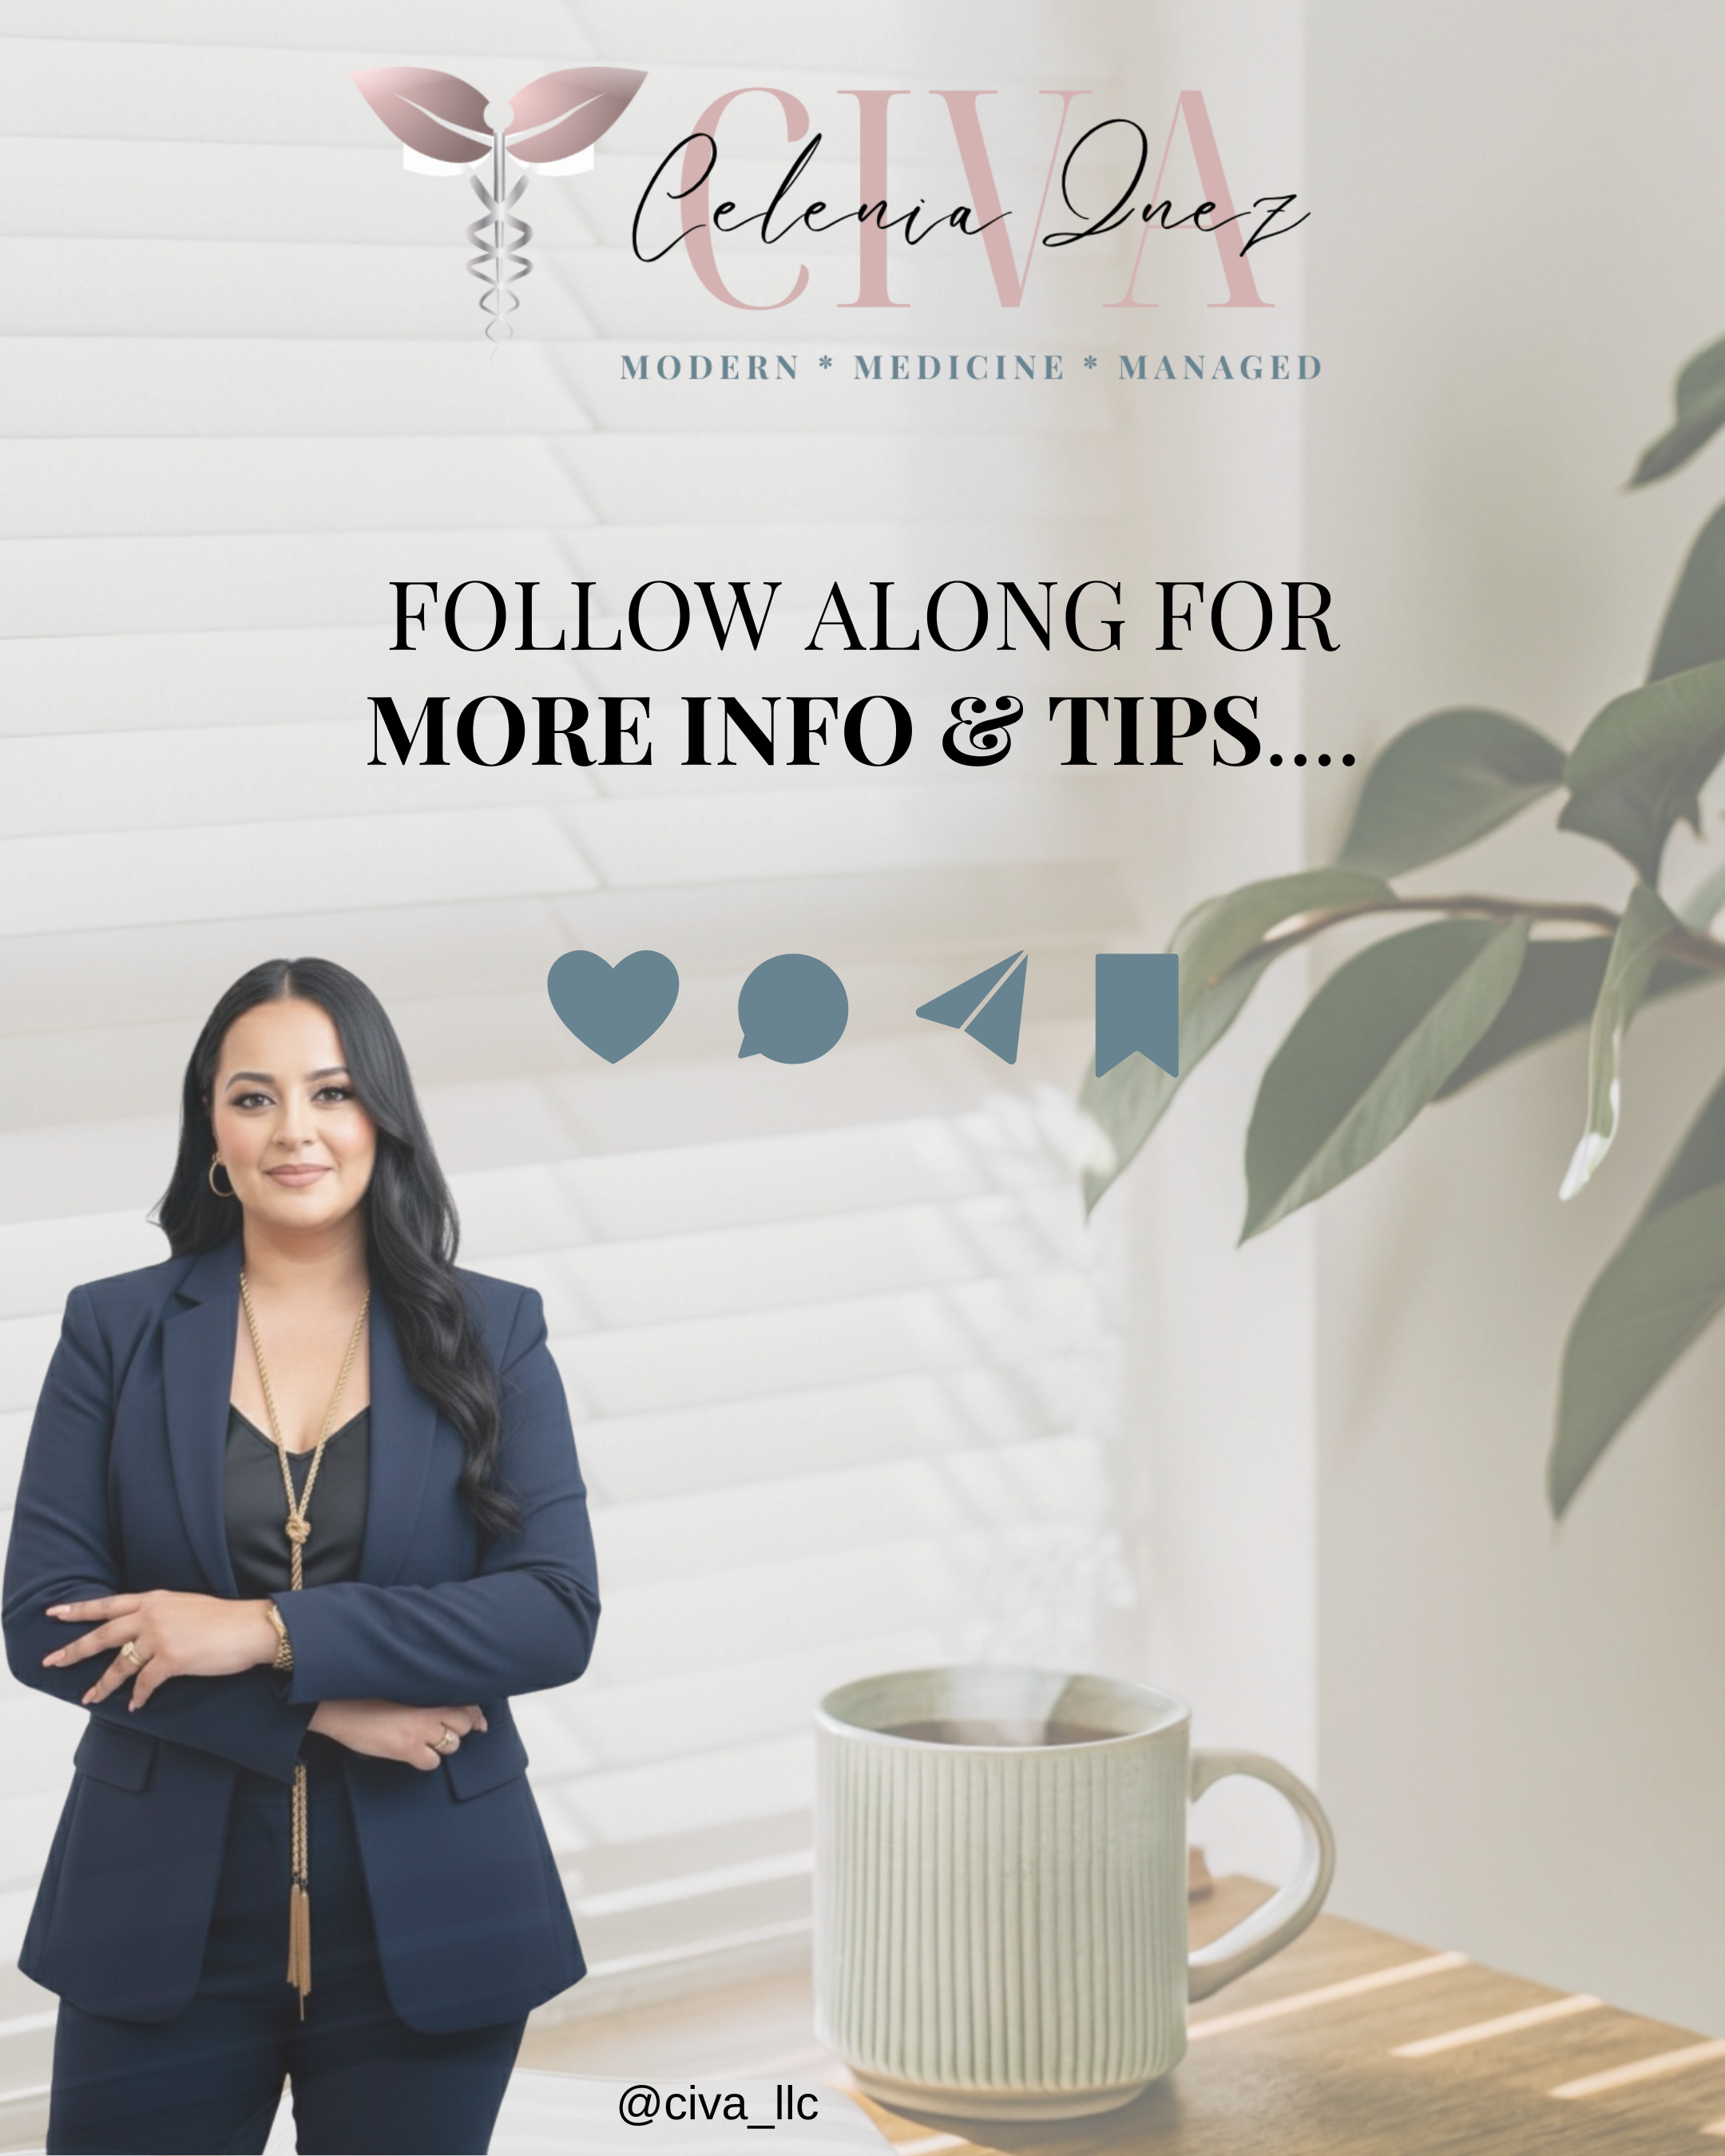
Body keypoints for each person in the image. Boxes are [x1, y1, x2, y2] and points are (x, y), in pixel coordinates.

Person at [2, 957, 601, 2155]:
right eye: (254, 1097)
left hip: (437, 1912)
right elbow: (47, 1620)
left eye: (331, 1093)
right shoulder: (115, 1329)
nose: (296, 1131)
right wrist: (319, 1707)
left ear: (383, 1118)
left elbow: (551, 1612)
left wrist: (263, 1633)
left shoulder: (496, 1331)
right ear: (211, 1135)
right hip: (157, 1912)